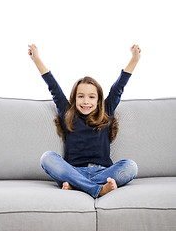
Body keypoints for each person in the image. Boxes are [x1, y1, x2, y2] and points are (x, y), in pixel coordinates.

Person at [28, 44, 141, 198]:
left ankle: (77, 186)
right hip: (73, 170)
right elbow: (53, 87)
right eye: (81, 96)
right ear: (74, 98)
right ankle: (97, 189)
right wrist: (37, 59)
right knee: (47, 158)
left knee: (130, 166)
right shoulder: (68, 113)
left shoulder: (106, 111)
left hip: (103, 172)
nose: (86, 101)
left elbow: (119, 87)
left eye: (91, 97)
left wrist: (134, 59)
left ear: (99, 99)